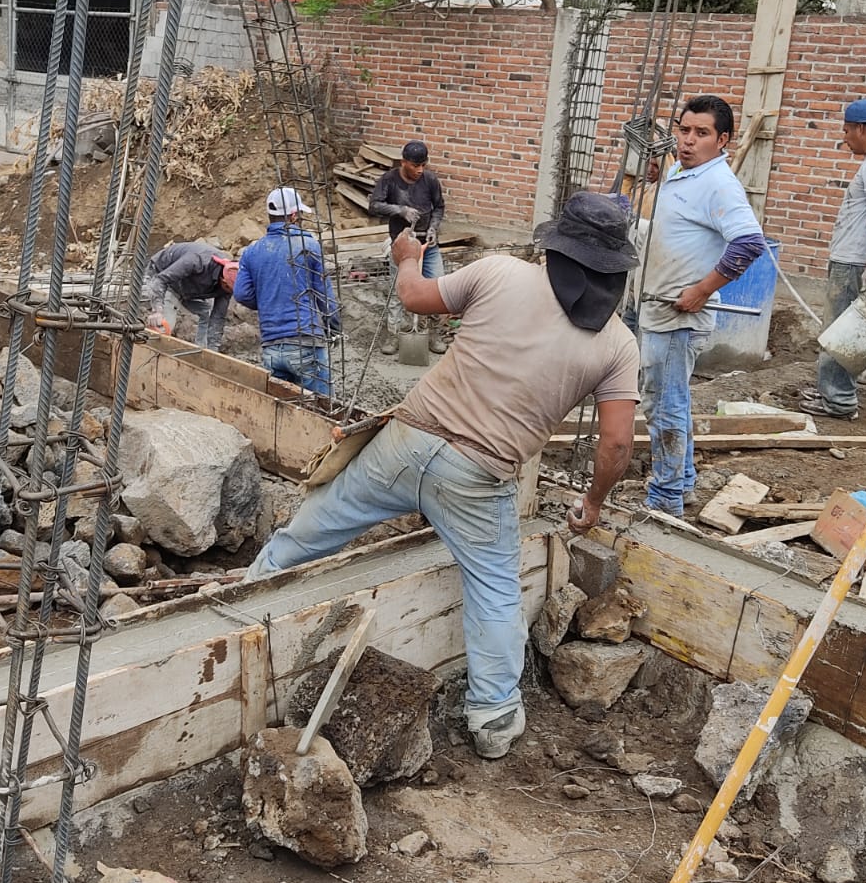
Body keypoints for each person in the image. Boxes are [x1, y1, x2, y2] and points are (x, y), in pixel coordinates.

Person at [245, 192, 641, 760]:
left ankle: (244, 595)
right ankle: (494, 717)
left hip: (406, 442)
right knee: (496, 590)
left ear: (554, 247)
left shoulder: (500, 273)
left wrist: (405, 253)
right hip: (480, 475)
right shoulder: (616, 344)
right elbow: (618, 444)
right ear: (615, 268)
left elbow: (414, 295)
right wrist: (595, 502)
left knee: (316, 525)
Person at [639, 95, 765, 517]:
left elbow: (749, 243)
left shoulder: (719, 183)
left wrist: (702, 291)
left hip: (677, 317)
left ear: (723, 139)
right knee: (672, 400)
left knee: (664, 405)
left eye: (701, 133)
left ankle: (665, 498)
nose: (688, 140)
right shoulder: (683, 169)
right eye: (684, 129)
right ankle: (684, 483)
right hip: (659, 308)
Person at [801, 97, 866, 421]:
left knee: (840, 332)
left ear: (861, 128)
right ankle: (832, 391)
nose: (844, 137)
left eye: (847, 130)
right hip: (852, 261)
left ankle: (839, 402)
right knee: (840, 331)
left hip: (853, 264)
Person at [233, 187, 342, 398]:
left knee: (284, 409)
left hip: (271, 348)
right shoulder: (308, 245)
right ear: (294, 216)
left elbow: (241, 294)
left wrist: (268, 299)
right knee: (323, 410)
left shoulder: (252, 252)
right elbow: (323, 294)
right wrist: (334, 327)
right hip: (305, 342)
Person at [369, 140, 447, 354]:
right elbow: (374, 205)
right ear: (404, 162)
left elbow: (439, 207)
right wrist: (400, 209)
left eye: (423, 164)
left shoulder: (430, 180)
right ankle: (393, 334)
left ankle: (433, 333)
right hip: (402, 246)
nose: (420, 170)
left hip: (427, 244)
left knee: (436, 289)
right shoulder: (389, 180)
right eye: (415, 166)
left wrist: (433, 227)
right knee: (398, 291)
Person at [141, 241, 238, 351]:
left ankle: (202, 351)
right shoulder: (197, 261)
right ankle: (150, 354)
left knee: (208, 313)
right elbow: (160, 280)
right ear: (223, 281)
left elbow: (218, 317)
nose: (229, 293)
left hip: (186, 288)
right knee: (164, 327)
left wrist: (213, 351)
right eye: (229, 289)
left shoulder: (230, 285)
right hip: (165, 279)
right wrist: (157, 310)